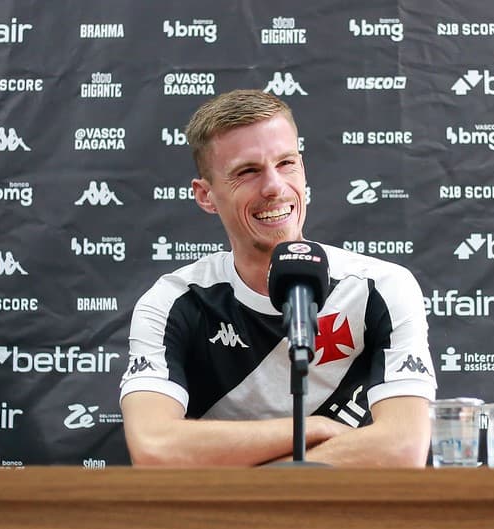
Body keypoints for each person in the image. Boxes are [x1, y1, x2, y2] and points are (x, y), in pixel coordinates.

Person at [119, 89, 436, 467]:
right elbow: (154, 447)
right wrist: (313, 428)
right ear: (205, 195)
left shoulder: (379, 287)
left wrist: (253, 476)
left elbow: (403, 449)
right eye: (247, 171)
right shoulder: (173, 301)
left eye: (286, 163)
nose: (274, 187)